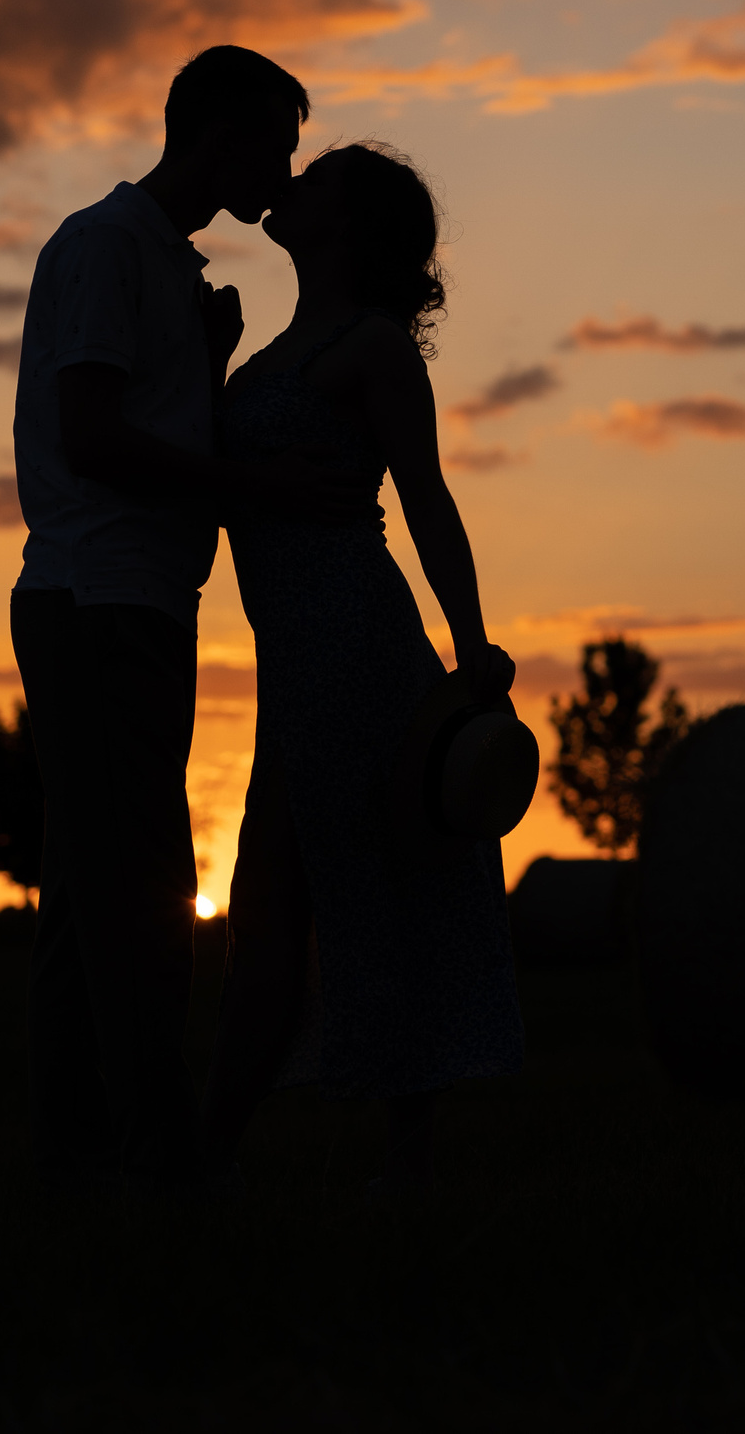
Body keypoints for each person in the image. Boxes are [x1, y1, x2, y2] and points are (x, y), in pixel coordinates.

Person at [9, 45, 343, 1193]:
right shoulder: (108, 247)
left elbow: (126, 423)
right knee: (143, 894)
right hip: (101, 599)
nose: (286, 169)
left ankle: (75, 1158)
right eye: (276, 145)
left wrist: (202, 368)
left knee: (89, 897)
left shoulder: (153, 259)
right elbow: (93, 442)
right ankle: (157, 1159)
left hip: (128, 597)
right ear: (218, 136)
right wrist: (265, 487)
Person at [202, 140, 527, 1190]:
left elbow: (425, 499)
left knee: (375, 883)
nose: (288, 186)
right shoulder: (266, 353)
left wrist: (473, 646)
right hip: (292, 660)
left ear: (347, 225)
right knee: (276, 896)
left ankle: (380, 1159)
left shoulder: (374, 348)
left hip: (357, 642)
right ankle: (214, 1151)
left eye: (316, 179)